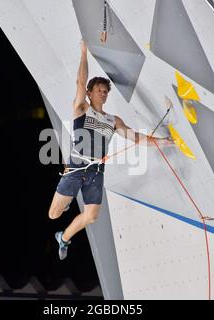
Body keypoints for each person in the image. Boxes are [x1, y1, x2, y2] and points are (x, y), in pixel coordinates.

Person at [48, 40, 172, 260]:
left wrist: (161, 142)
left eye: (106, 92)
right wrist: (83, 53)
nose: (103, 94)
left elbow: (134, 137)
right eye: (99, 90)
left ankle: (64, 238)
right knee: (53, 214)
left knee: (92, 217)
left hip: (96, 172)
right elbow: (79, 81)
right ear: (90, 93)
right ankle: (66, 205)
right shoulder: (81, 108)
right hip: (76, 167)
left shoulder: (113, 120)